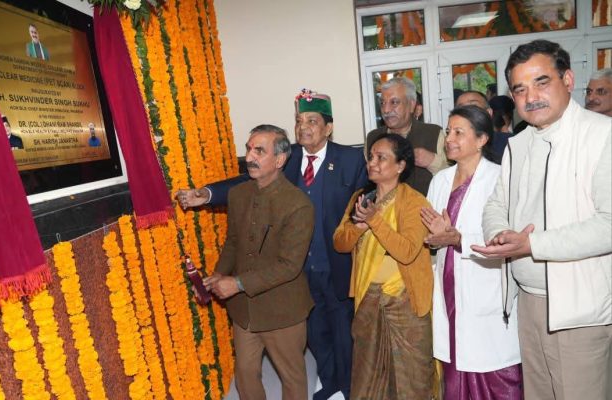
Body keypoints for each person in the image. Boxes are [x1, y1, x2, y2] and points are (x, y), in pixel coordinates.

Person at [178, 90, 367, 399]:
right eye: (299, 120)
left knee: (343, 332)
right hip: (298, 271)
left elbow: (367, 196)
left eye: (312, 121)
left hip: (335, 264)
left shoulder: (350, 159)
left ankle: (348, 388)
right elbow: (245, 183)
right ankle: (329, 382)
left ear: (328, 127)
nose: (304, 127)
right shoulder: (288, 157)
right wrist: (207, 194)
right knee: (316, 333)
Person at [472, 39, 612, 399]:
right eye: (520, 89)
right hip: (528, 302)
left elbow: (608, 225)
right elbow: (496, 204)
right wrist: (501, 235)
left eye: (541, 82)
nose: (530, 97)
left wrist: (532, 244)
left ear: (568, 80)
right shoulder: (518, 144)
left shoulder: (602, 135)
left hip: (580, 308)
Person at [202, 124, 315, 400]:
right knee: (245, 376)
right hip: (245, 311)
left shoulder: (298, 204)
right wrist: (219, 275)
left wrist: (237, 283)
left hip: (282, 311)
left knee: (292, 379)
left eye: (260, 151)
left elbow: (289, 266)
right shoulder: (238, 194)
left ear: (279, 160)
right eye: (249, 149)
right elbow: (233, 242)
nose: (250, 156)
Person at [422, 106, 522, 399]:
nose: (449, 139)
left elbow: (505, 237)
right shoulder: (440, 180)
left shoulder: (499, 178)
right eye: (448, 132)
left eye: (458, 132)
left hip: (486, 282)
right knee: (456, 359)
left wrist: (459, 239)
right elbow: (434, 235)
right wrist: (436, 238)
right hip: (449, 283)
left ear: (481, 139)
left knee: (493, 363)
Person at [333, 134, 434, 399]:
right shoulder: (361, 198)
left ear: (400, 166)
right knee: (368, 377)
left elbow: (408, 252)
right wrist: (359, 226)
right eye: (371, 157)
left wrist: (375, 221)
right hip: (368, 296)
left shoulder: (414, 202)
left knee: (412, 379)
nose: (372, 163)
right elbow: (339, 243)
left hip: (405, 301)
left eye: (381, 158)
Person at [366, 77, 448, 195]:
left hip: (426, 205)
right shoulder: (373, 138)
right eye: (383, 103)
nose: (386, 110)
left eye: (394, 102)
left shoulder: (434, 134)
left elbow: (454, 179)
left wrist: (433, 162)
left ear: (411, 105)